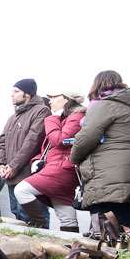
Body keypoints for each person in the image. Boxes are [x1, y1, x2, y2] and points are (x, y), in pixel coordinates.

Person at [70, 71, 130, 231]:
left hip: (109, 174)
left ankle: (115, 255)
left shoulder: (104, 105)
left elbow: (87, 137)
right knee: (126, 224)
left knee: (105, 227)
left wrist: (74, 158)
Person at [13, 91, 85, 231]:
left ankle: (40, 228)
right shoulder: (66, 118)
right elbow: (49, 148)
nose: (50, 101)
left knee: (22, 190)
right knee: (66, 215)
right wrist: (36, 160)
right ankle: (71, 246)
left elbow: (59, 140)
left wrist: (52, 119)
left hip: (62, 169)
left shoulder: (76, 117)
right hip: (59, 167)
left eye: (54, 97)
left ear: (67, 99)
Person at [0, 78, 51, 225]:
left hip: (29, 174)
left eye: (16, 91)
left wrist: (14, 165)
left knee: (36, 218)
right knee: (18, 216)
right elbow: (1, 143)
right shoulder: (11, 118)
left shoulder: (41, 111)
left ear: (27, 94)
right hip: (11, 175)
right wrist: (0, 165)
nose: (12, 95)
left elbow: (32, 141)